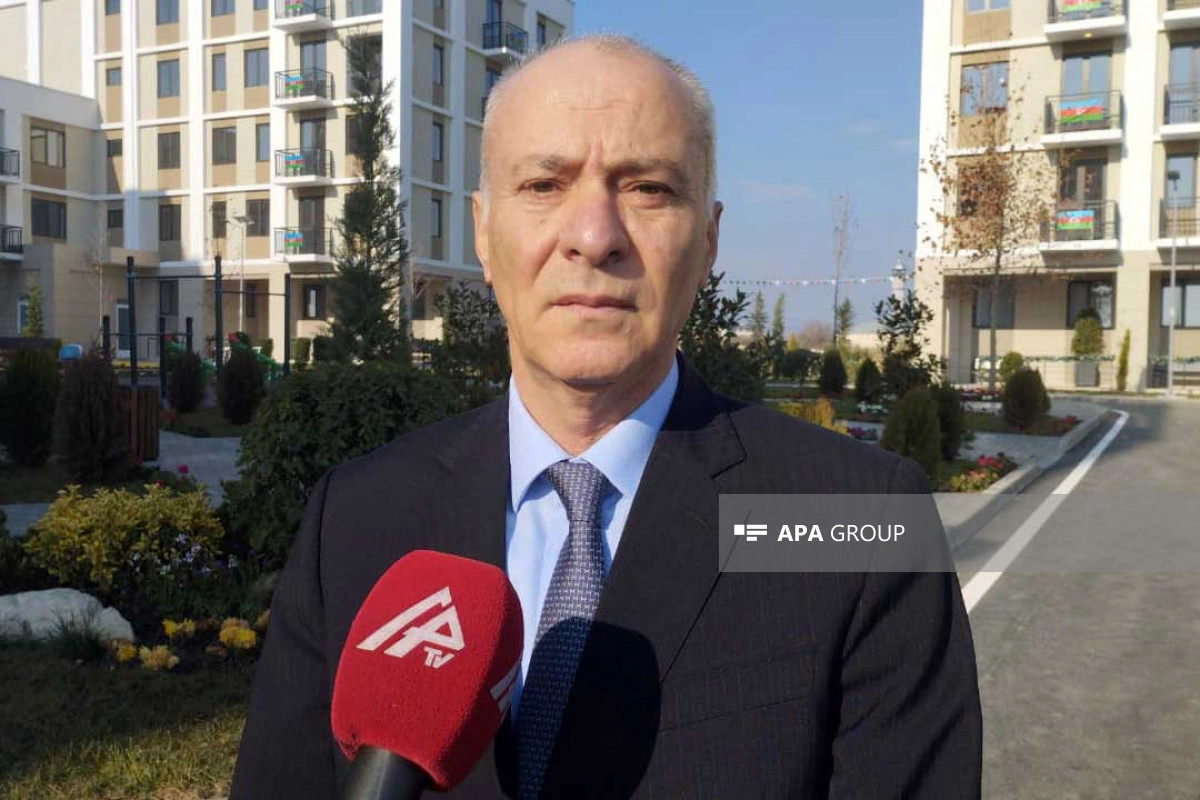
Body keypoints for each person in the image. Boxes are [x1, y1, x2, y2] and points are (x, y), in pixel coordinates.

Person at [230, 35, 981, 799]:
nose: (594, 237)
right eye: (543, 184)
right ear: (483, 232)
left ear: (709, 239)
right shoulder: (356, 516)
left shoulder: (861, 521)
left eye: (648, 188)